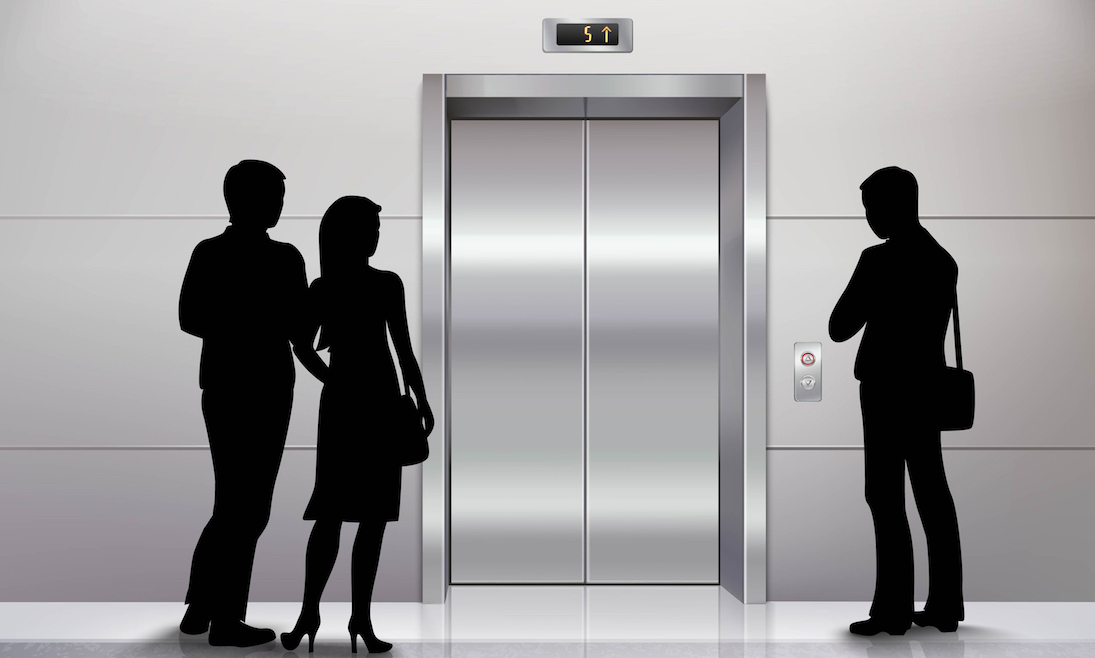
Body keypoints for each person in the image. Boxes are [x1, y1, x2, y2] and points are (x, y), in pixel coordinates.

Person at [280, 196, 434, 654]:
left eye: (377, 227)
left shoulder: (353, 286)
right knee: (342, 515)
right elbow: (303, 345)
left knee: (365, 517)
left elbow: (402, 349)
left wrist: (419, 396)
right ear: (349, 234)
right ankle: (323, 613)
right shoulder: (337, 287)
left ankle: (351, 617)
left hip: (364, 405)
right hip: (364, 405)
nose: (375, 234)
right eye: (369, 227)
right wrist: (415, 397)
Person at [178, 160, 308, 647]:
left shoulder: (220, 253)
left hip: (241, 384)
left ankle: (202, 606)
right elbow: (190, 317)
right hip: (255, 386)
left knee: (232, 501)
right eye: (273, 195)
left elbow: (195, 317)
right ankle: (226, 620)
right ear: (242, 199)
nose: (278, 205)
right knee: (248, 507)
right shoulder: (274, 258)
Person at [829, 167, 965, 636]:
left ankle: (892, 611)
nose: (869, 218)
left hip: (886, 391)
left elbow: (839, 326)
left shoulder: (876, 260)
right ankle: (945, 606)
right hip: (927, 390)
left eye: (871, 208)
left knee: (885, 497)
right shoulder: (943, 260)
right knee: (932, 493)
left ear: (893, 205)